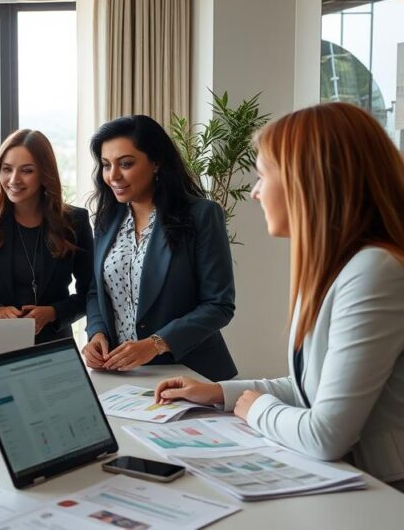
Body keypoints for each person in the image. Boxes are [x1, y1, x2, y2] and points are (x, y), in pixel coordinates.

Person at [154, 103, 404, 491]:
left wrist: (256, 409)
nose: (254, 192)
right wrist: (221, 392)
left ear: (310, 181)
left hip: (383, 493)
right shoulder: (336, 269)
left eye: (263, 175)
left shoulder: (375, 271)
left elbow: (325, 434)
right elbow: (312, 388)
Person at [82, 115, 237, 381]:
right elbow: (96, 291)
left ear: (157, 162)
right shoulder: (107, 220)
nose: (113, 176)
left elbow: (219, 305)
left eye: (126, 164)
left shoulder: (202, 215)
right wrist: (96, 333)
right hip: (124, 375)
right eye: (106, 165)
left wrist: (155, 343)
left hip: (192, 374)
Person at [0, 129, 93, 343]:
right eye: (7, 169)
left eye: (26, 171)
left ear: (44, 173)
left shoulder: (74, 221)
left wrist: (53, 313)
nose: (14, 180)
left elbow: (90, 292)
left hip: (55, 345)